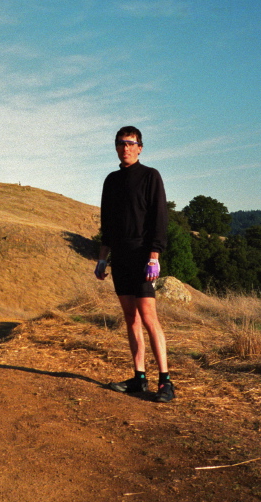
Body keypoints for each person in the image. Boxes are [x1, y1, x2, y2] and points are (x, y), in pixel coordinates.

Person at [95, 126, 175, 403]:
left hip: (143, 257)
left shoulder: (151, 176)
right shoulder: (111, 180)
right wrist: (103, 257)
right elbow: (107, 224)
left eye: (130, 143)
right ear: (116, 147)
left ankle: (165, 381)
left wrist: (155, 256)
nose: (125, 148)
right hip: (121, 258)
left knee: (149, 317)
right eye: (120, 143)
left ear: (140, 147)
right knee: (131, 319)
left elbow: (160, 219)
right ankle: (139, 378)